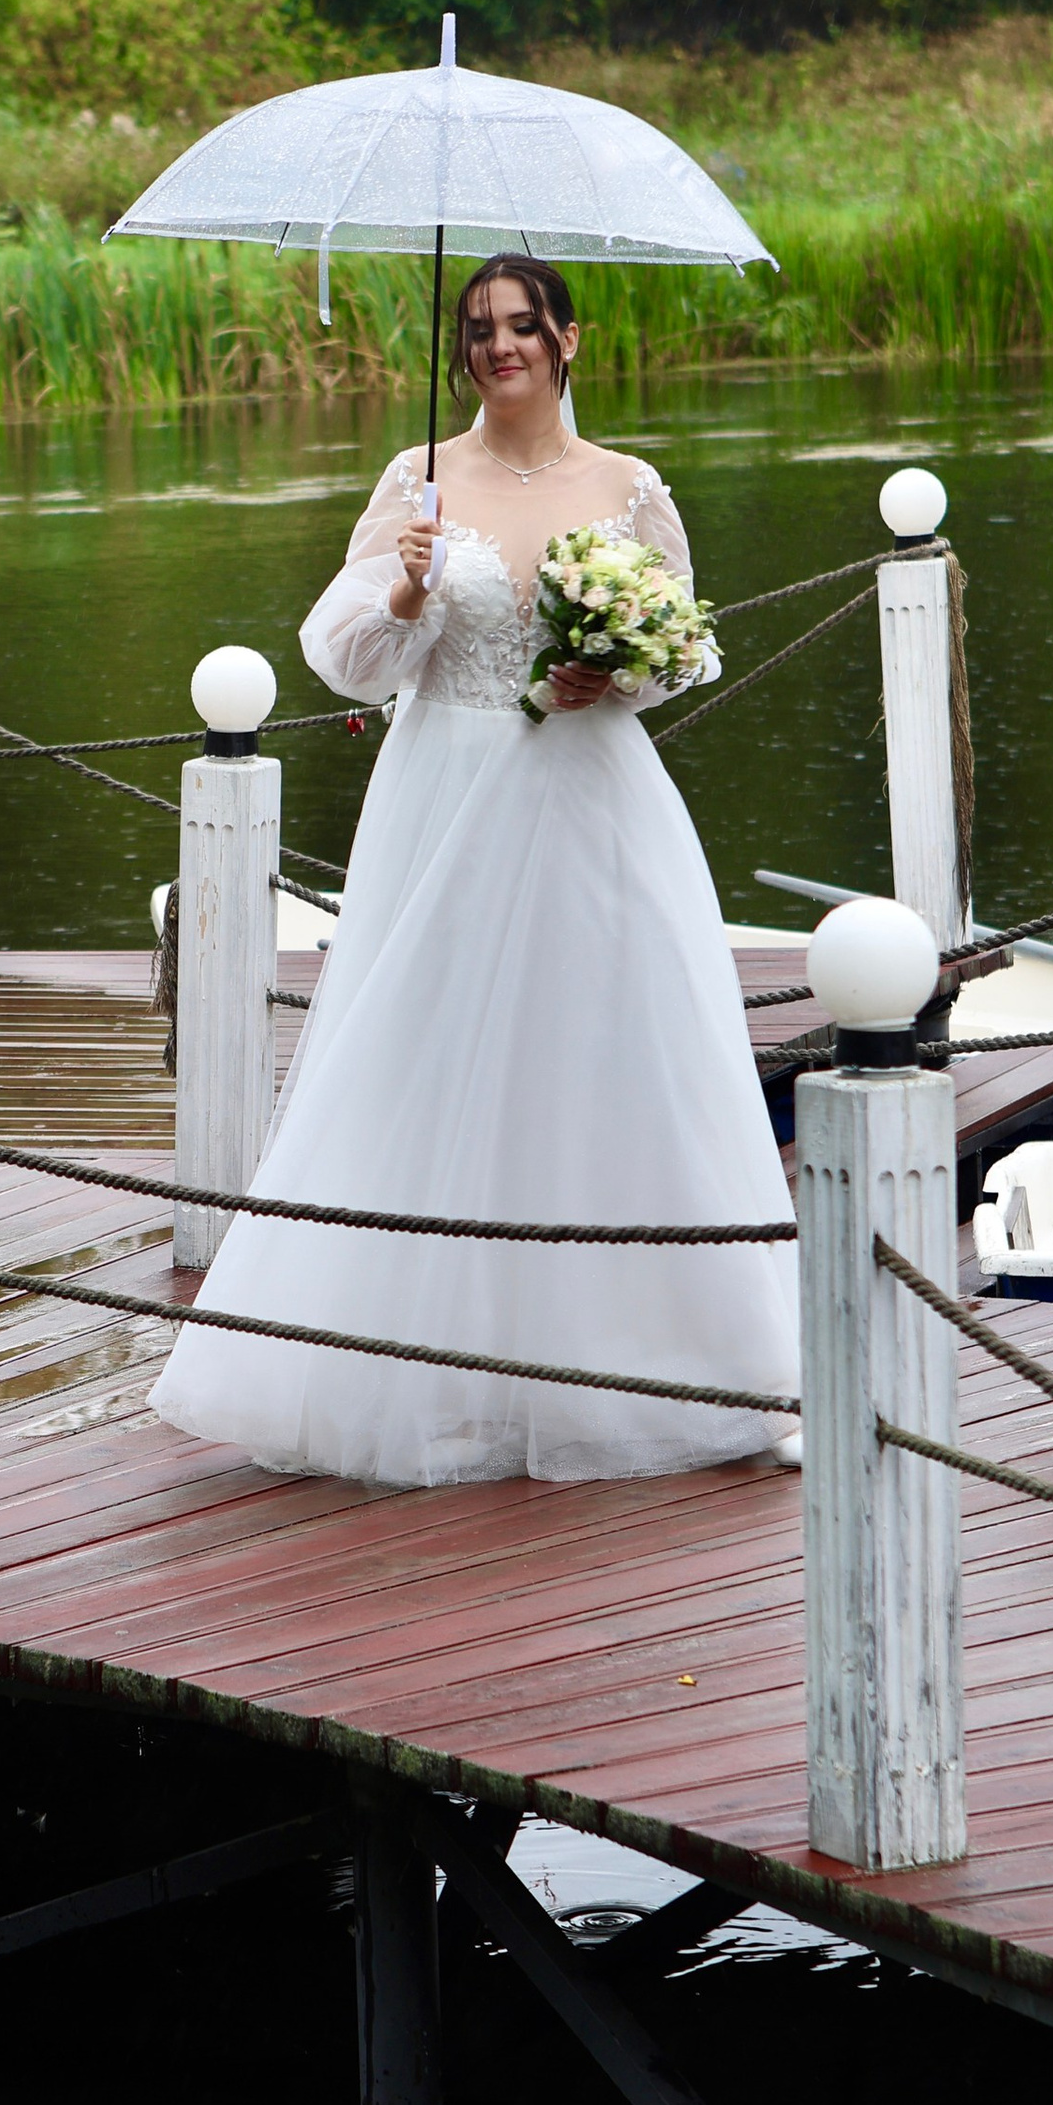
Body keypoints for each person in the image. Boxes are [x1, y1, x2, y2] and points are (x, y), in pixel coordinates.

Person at [149, 252, 799, 1487]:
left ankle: (690, 1361)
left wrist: (613, 674)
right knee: (428, 1055)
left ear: (568, 341)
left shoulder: (627, 487)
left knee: (618, 1052)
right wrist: (404, 585)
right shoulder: (420, 478)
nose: (500, 346)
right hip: (444, 794)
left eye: (521, 326)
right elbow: (343, 662)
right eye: (479, 329)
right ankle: (423, 1366)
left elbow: (682, 652)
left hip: (593, 797)